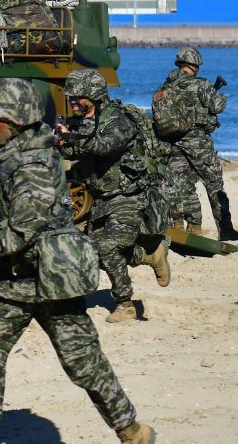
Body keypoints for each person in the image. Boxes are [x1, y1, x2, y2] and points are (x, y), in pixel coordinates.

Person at [0, 77, 155, 444]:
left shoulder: (33, 162)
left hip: (51, 278)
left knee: (83, 364)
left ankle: (132, 431)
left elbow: (25, 228)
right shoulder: (6, 155)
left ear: (17, 120)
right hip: (16, 279)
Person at [57, 70, 170, 323]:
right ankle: (150, 255)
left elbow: (104, 146)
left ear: (94, 96)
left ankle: (125, 304)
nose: (73, 101)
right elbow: (76, 151)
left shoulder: (117, 121)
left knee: (107, 247)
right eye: (71, 97)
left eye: (78, 97)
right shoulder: (81, 122)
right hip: (100, 200)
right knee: (91, 252)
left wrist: (69, 138)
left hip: (128, 197)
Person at [156, 47, 238, 241]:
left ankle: (181, 227)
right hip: (198, 143)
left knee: (181, 185)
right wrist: (220, 97)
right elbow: (218, 106)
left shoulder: (165, 87)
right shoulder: (201, 85)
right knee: (214, 184)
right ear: (194, 66)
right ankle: (225, 229)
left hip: (172, 143)